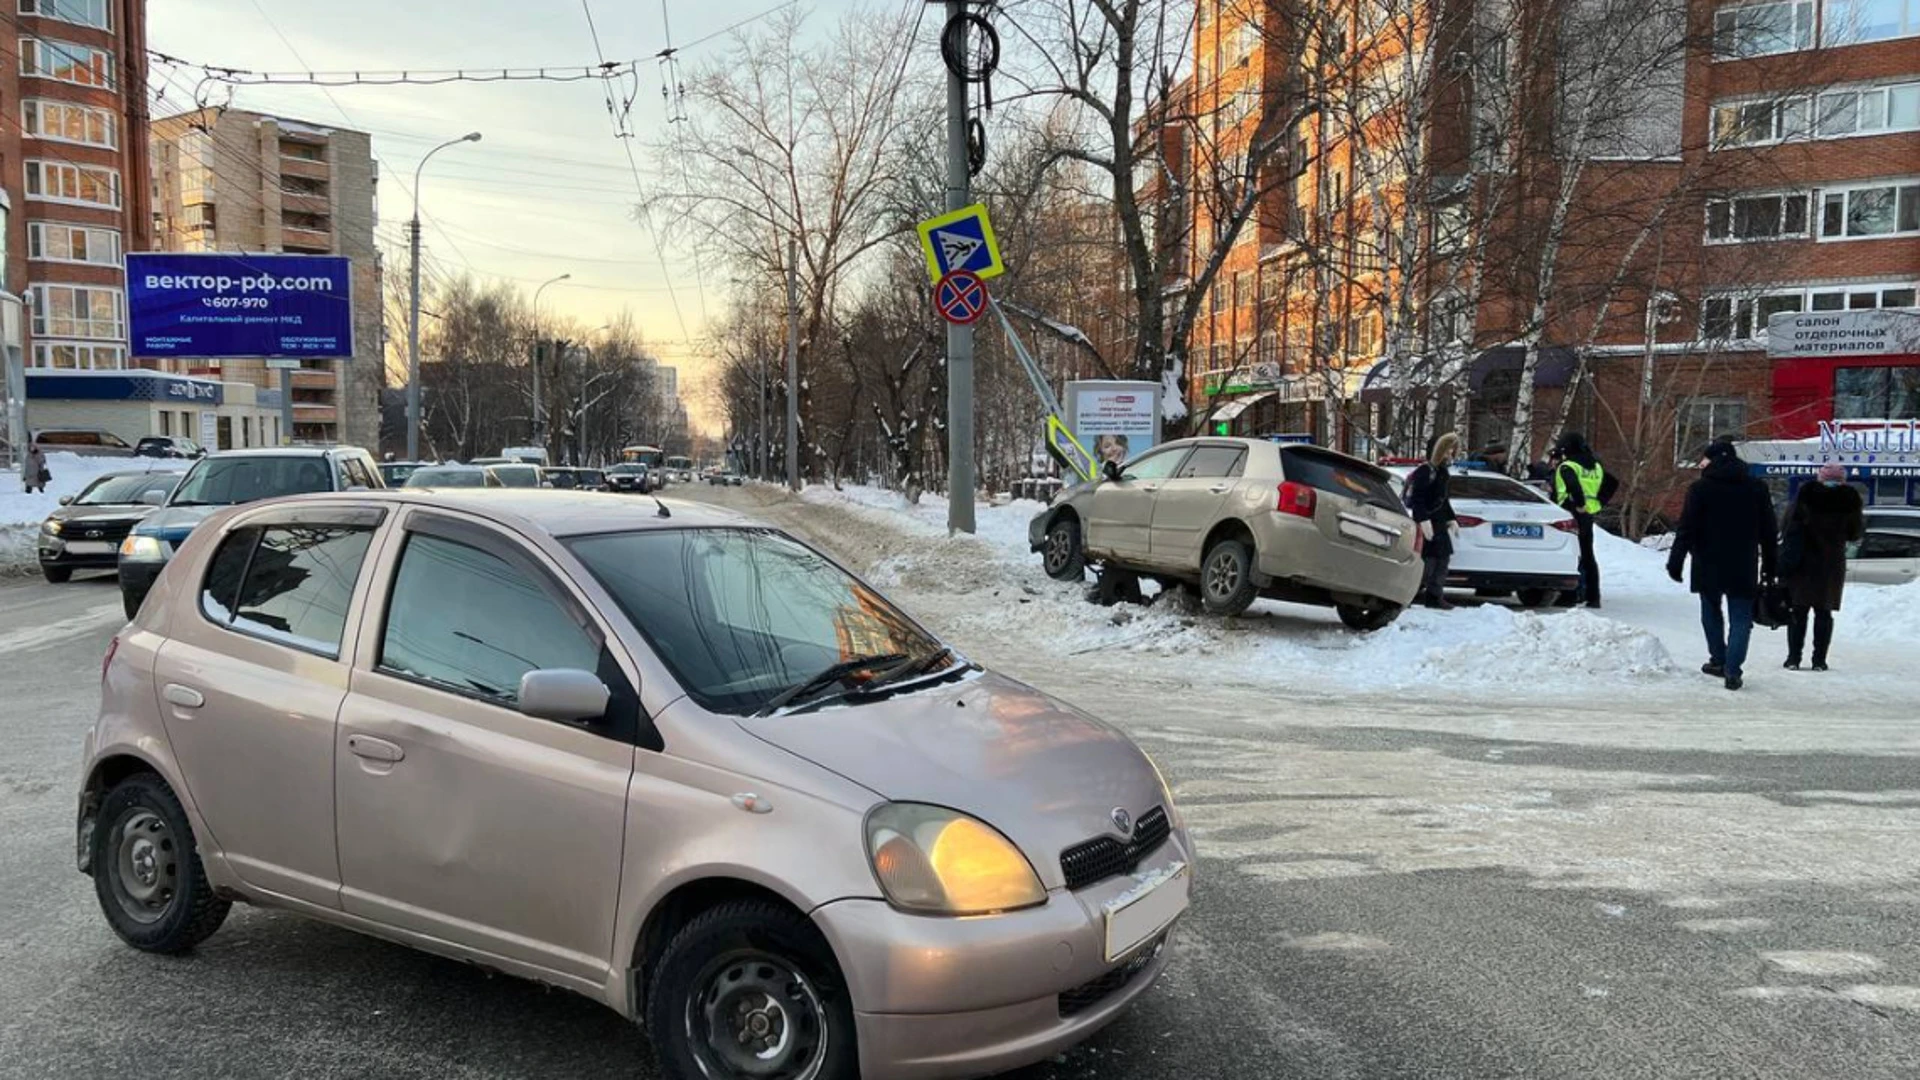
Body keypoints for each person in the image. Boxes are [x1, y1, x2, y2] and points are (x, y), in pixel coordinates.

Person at [1666, 440, 1778, 691]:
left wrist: (1676, 561)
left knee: (1711, 611)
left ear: (1713, 459)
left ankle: (1718, 659)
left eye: (1704, 458)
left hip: (1707, 561)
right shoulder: (1756, 488)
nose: (1701, 463)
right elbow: (1769, 530)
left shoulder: (1700, 488)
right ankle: (1733, 670)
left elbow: (1686, 527)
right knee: (1741, 618)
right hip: (1743, 562)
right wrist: (1771, 564)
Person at [1780, 462, 1864, 671]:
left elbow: (1787, 526)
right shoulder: (1850, 499)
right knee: (1824, 612)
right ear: (1843, 480)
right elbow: (1855, 533)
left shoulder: (1805, 495)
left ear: (1820, 477)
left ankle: (1793, 658)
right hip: (1831, 563)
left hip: (1803, 562)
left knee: (1798, 611)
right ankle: (1819, 660)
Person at [1552, 432, 1617, 608]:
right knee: (1588, 555)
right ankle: (1593, 596)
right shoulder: (1595, 466)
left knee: (1571, 554)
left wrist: (1579, 503)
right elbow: (1612, 482)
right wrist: (1599, 502)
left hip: (1569, 513)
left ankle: (1569, 596)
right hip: (1588, 514)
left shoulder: (1567, 466)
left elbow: (1573, 486)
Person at [1405, 432, 1461, 609]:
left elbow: (1444, 499)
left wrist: (1451, 519)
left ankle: (1435, 595)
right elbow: (1418, 498)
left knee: (1442, 558)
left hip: (1439, 520)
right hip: (1427, 521)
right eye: (1447, 451)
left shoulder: (1443, 472)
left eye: (1452, 452)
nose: (1450, 456)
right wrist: (1422, 519)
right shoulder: (1425, 471)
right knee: (1427, 560)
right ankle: (1413, 593)